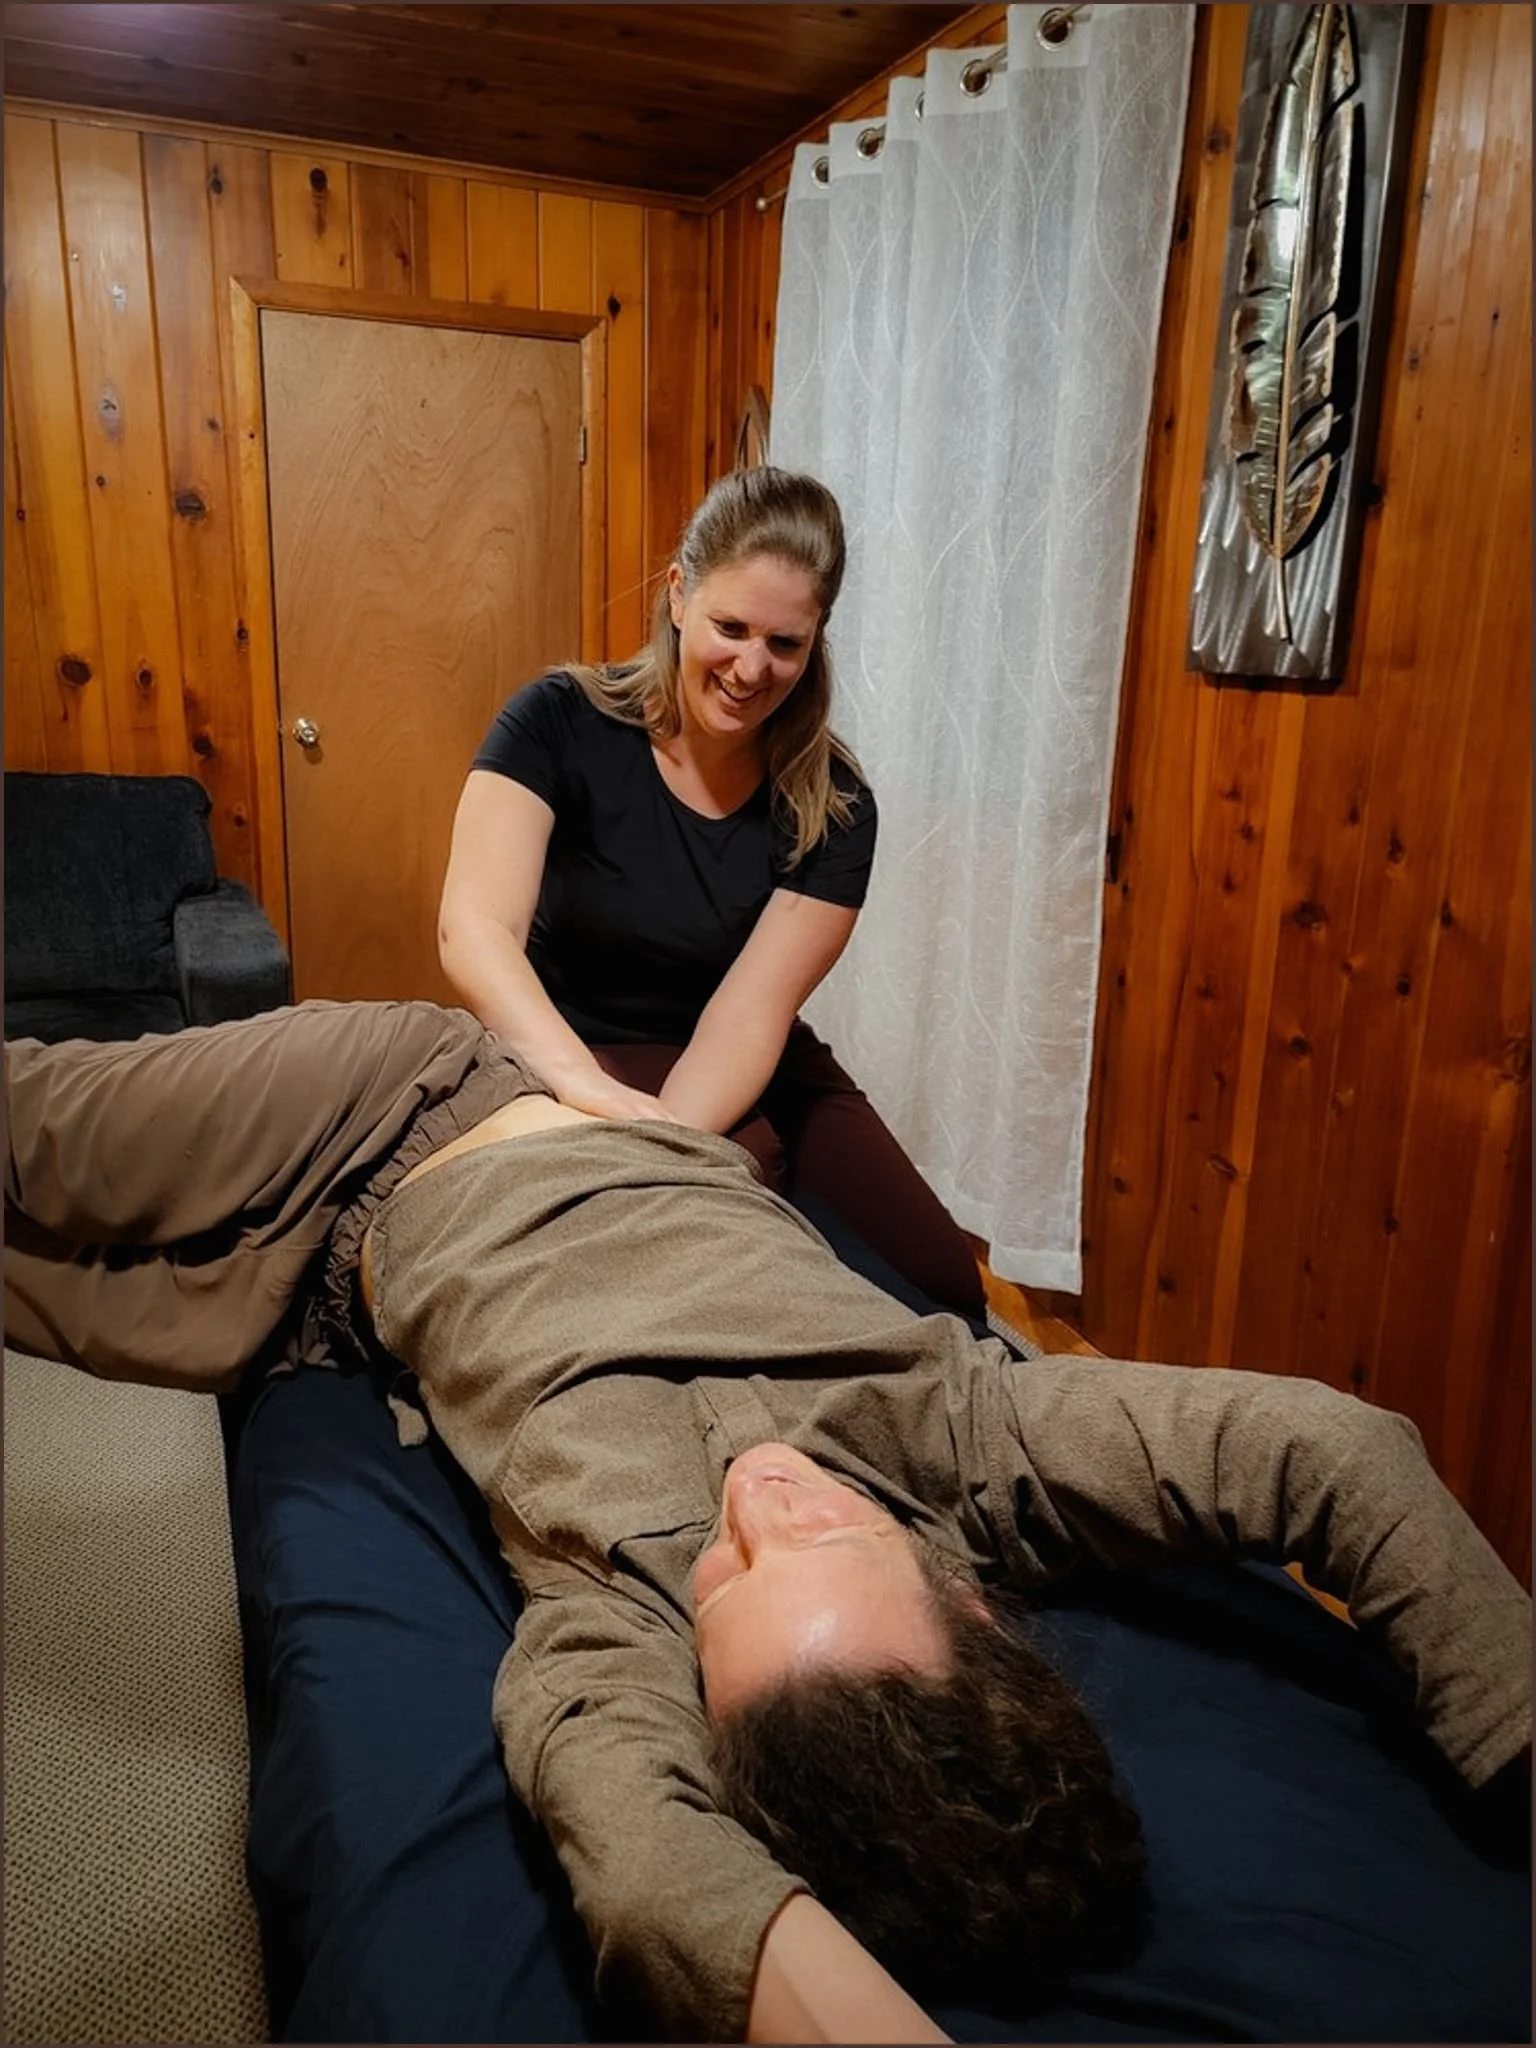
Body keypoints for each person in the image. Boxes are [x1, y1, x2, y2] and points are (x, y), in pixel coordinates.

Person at [6, 1002, 1530, 2045]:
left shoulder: (612, 1623)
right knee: (30, 1133)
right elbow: (1329, 1451)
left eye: (732, 1573)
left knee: (36, 1296)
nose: (755, 1505)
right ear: (971, 1596)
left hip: (341, 1292)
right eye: (823, 1530)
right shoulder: (976, 1437)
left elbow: (641, 1850)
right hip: (409, 1100)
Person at [436, 464, 986, 1317]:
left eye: (785, 644)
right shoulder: (555, 721)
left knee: (941, 1291)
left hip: (734, 1052)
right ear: (678, 595)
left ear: (816, 640)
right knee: (689, 1256)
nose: (750, 667)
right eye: (731, 627)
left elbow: (747, 1018)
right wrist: (586, 1092)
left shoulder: (834, 804)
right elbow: (473, 931)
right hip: (563, 1037)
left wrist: (659, 1152)